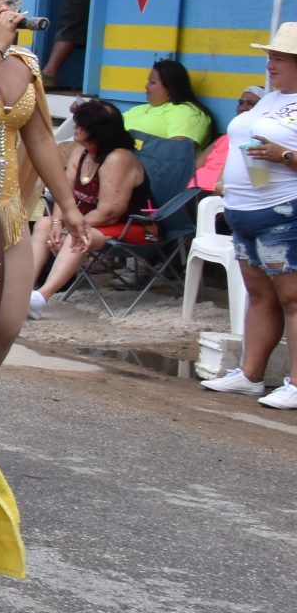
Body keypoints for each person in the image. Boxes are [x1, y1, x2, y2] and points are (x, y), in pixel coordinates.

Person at [0, 0, 94, 354]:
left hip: (7, 212)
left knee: (7, 323)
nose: (6, 9)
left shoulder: (24, 63)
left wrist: (68, 208)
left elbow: (40, 139)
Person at [201, 33, 297, 405]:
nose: (271, 65)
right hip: (245, 210)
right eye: (271, 57)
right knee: (259, 295)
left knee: (292, 298)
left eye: (282, 59)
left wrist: (284, 155)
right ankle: (250, 374)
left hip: (284, 211)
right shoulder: (270, 99)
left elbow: (279, 152)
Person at [32, 98, 153, 306]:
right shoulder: (81, 151)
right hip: (90, 220)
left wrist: (71, 227)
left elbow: (110, 212)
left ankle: (42, 297)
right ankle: (24, 288)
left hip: (131, 225)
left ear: (98, 131)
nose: (76, 127)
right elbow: (64, 192)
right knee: (44, 224)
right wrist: (56, 223)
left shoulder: (118, 158)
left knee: (78, 236)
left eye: (81, 124)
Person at [123, 58, 213, 146]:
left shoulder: (187, 111)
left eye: (152, 82)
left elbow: (177, 151)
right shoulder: (138, 109)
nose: (146, 86)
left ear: (170, 87)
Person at [195, 86, 263, 193]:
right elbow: (196, 165)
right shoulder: (224, 138)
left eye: (251, 103)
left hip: (215, 194)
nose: (243, 108)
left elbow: (257, 179)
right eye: (241, 103)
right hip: (192, 189)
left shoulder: (257, 141)